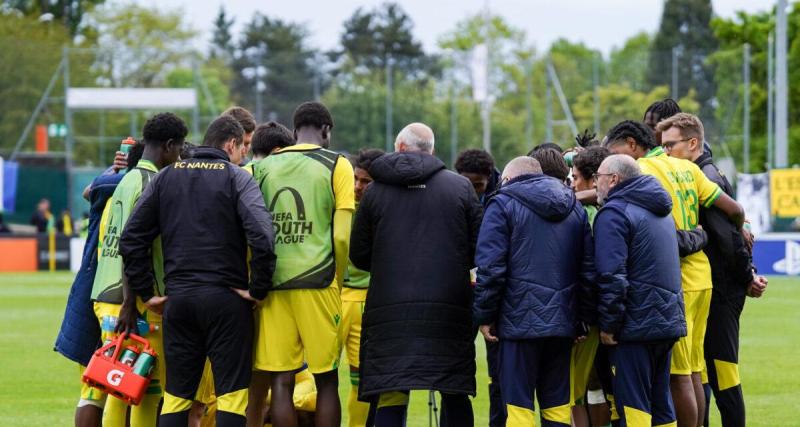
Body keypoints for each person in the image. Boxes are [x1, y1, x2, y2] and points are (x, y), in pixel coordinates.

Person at [120, 114, 276, 427]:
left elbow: (131, 238)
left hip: (179, 301)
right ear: (231, 144)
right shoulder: (237, 178)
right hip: (227, 301)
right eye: (240, 148)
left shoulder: (166, 177)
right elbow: (262, 237)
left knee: (177, 396)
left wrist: (148, 293)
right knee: (232, 396)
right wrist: (258, 290)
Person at [604, 120, 745, 427]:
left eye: (611, 154)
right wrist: (742, 228)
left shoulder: (644, 168)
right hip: (703, 277)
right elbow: (733, 209)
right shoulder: (688, 168)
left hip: (674, 279)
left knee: (679, 377)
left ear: (631, 146)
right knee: (694, 371)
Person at [350, 123, 482, 427]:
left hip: (389, 310)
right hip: (449, 308)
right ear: (432, 151)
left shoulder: (375, 192)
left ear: (398, 147)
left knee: (392, 391)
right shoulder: (460, 187)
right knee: (454, 389)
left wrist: (388, 265)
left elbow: (359, 254)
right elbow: (479, 248)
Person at [656, 113, 768, 426]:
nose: (664, 154)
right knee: (703, 371)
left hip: (720, 291)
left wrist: (747, 277)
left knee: (723, 372)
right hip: (715, 288)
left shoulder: (705, 176)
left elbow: (729, 237)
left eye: (669, 146)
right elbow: (739, 226)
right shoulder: (699, 173)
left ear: (692, 143)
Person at [249, 101, 353, 427]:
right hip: (319, 282)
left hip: (273, 286)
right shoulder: (337, 164)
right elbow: (341, 237)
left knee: (281, 379)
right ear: (326, 131)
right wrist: (336, 276)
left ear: (294, 132)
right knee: (327, 381)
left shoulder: (261, 168)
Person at [473, 156, 593, 427]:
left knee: (518, 407)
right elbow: (588, 269)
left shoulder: (502, 203)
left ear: (508, 179)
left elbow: (491, 268)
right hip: (563, 323)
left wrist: (485, 315)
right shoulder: (574, 206)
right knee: (558, 406)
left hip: (518, 323)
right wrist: (582, 320)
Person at [89, 113, 186, 427]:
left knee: (117, 386)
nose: (180, 157)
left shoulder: (126, 179)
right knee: (146, 389)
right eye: (180, 149)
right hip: (134, 304)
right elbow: (135, 246)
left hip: (105, 294)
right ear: (169, 146)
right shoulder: (151, 182)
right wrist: (133, 304)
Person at [594, 154, 686, 427]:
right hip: (666, 322)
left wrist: (609, 324)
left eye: (598, 177)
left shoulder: (614, 213)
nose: (595, 184)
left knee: (633, 407)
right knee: (660, 406)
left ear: (613, 179)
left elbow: (612, 276)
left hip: (634, 327)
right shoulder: (661, 210)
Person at [54, 147, 140, 427]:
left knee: (94, 388)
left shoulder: (105, 198)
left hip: (95, 298)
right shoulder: (134, 199)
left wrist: (111, 172)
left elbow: (92, 189)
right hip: (117, 301)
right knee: (120, 386)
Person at [454, 148, 503, 426]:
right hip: (462, 290)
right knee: (456, 369)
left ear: (489, 177)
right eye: (467, 184)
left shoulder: (502, 198)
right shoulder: (452, 194)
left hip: (494, 292)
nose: (473, 191)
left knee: (497, 373)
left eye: (478, 185)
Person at [340, 148, 384, 427]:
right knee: (321, 378)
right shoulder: (339, 203)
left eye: (365, 182)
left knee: (361, 380)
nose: (357, 186)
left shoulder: (382, 209)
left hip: (367, 302)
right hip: (331, 299)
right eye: (356, 179)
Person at [569, 146, 612, 426]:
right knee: (598, 388)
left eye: (574, 177)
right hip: (608, 312)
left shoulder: (583, 214)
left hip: (586, 314)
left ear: (592, 179)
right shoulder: (613, 209)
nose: (571, 183)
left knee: (571, 397)